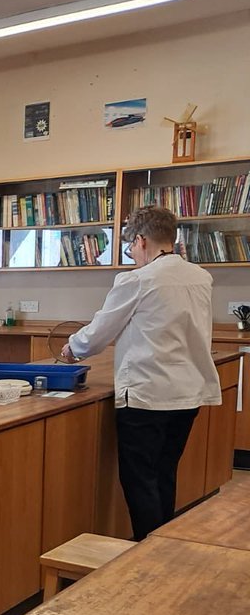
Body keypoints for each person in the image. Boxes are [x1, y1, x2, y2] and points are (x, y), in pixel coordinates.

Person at [62, 205, 221, 540]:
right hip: (187, 392)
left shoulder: (137, 279)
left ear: (141, 240)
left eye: (130, 247)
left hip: (147, 395)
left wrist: (72, 348)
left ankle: (147, 552)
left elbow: (101, 330)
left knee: (140, 479)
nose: (132, 253)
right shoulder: (200, 276)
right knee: (165, 472)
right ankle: (162, 545)